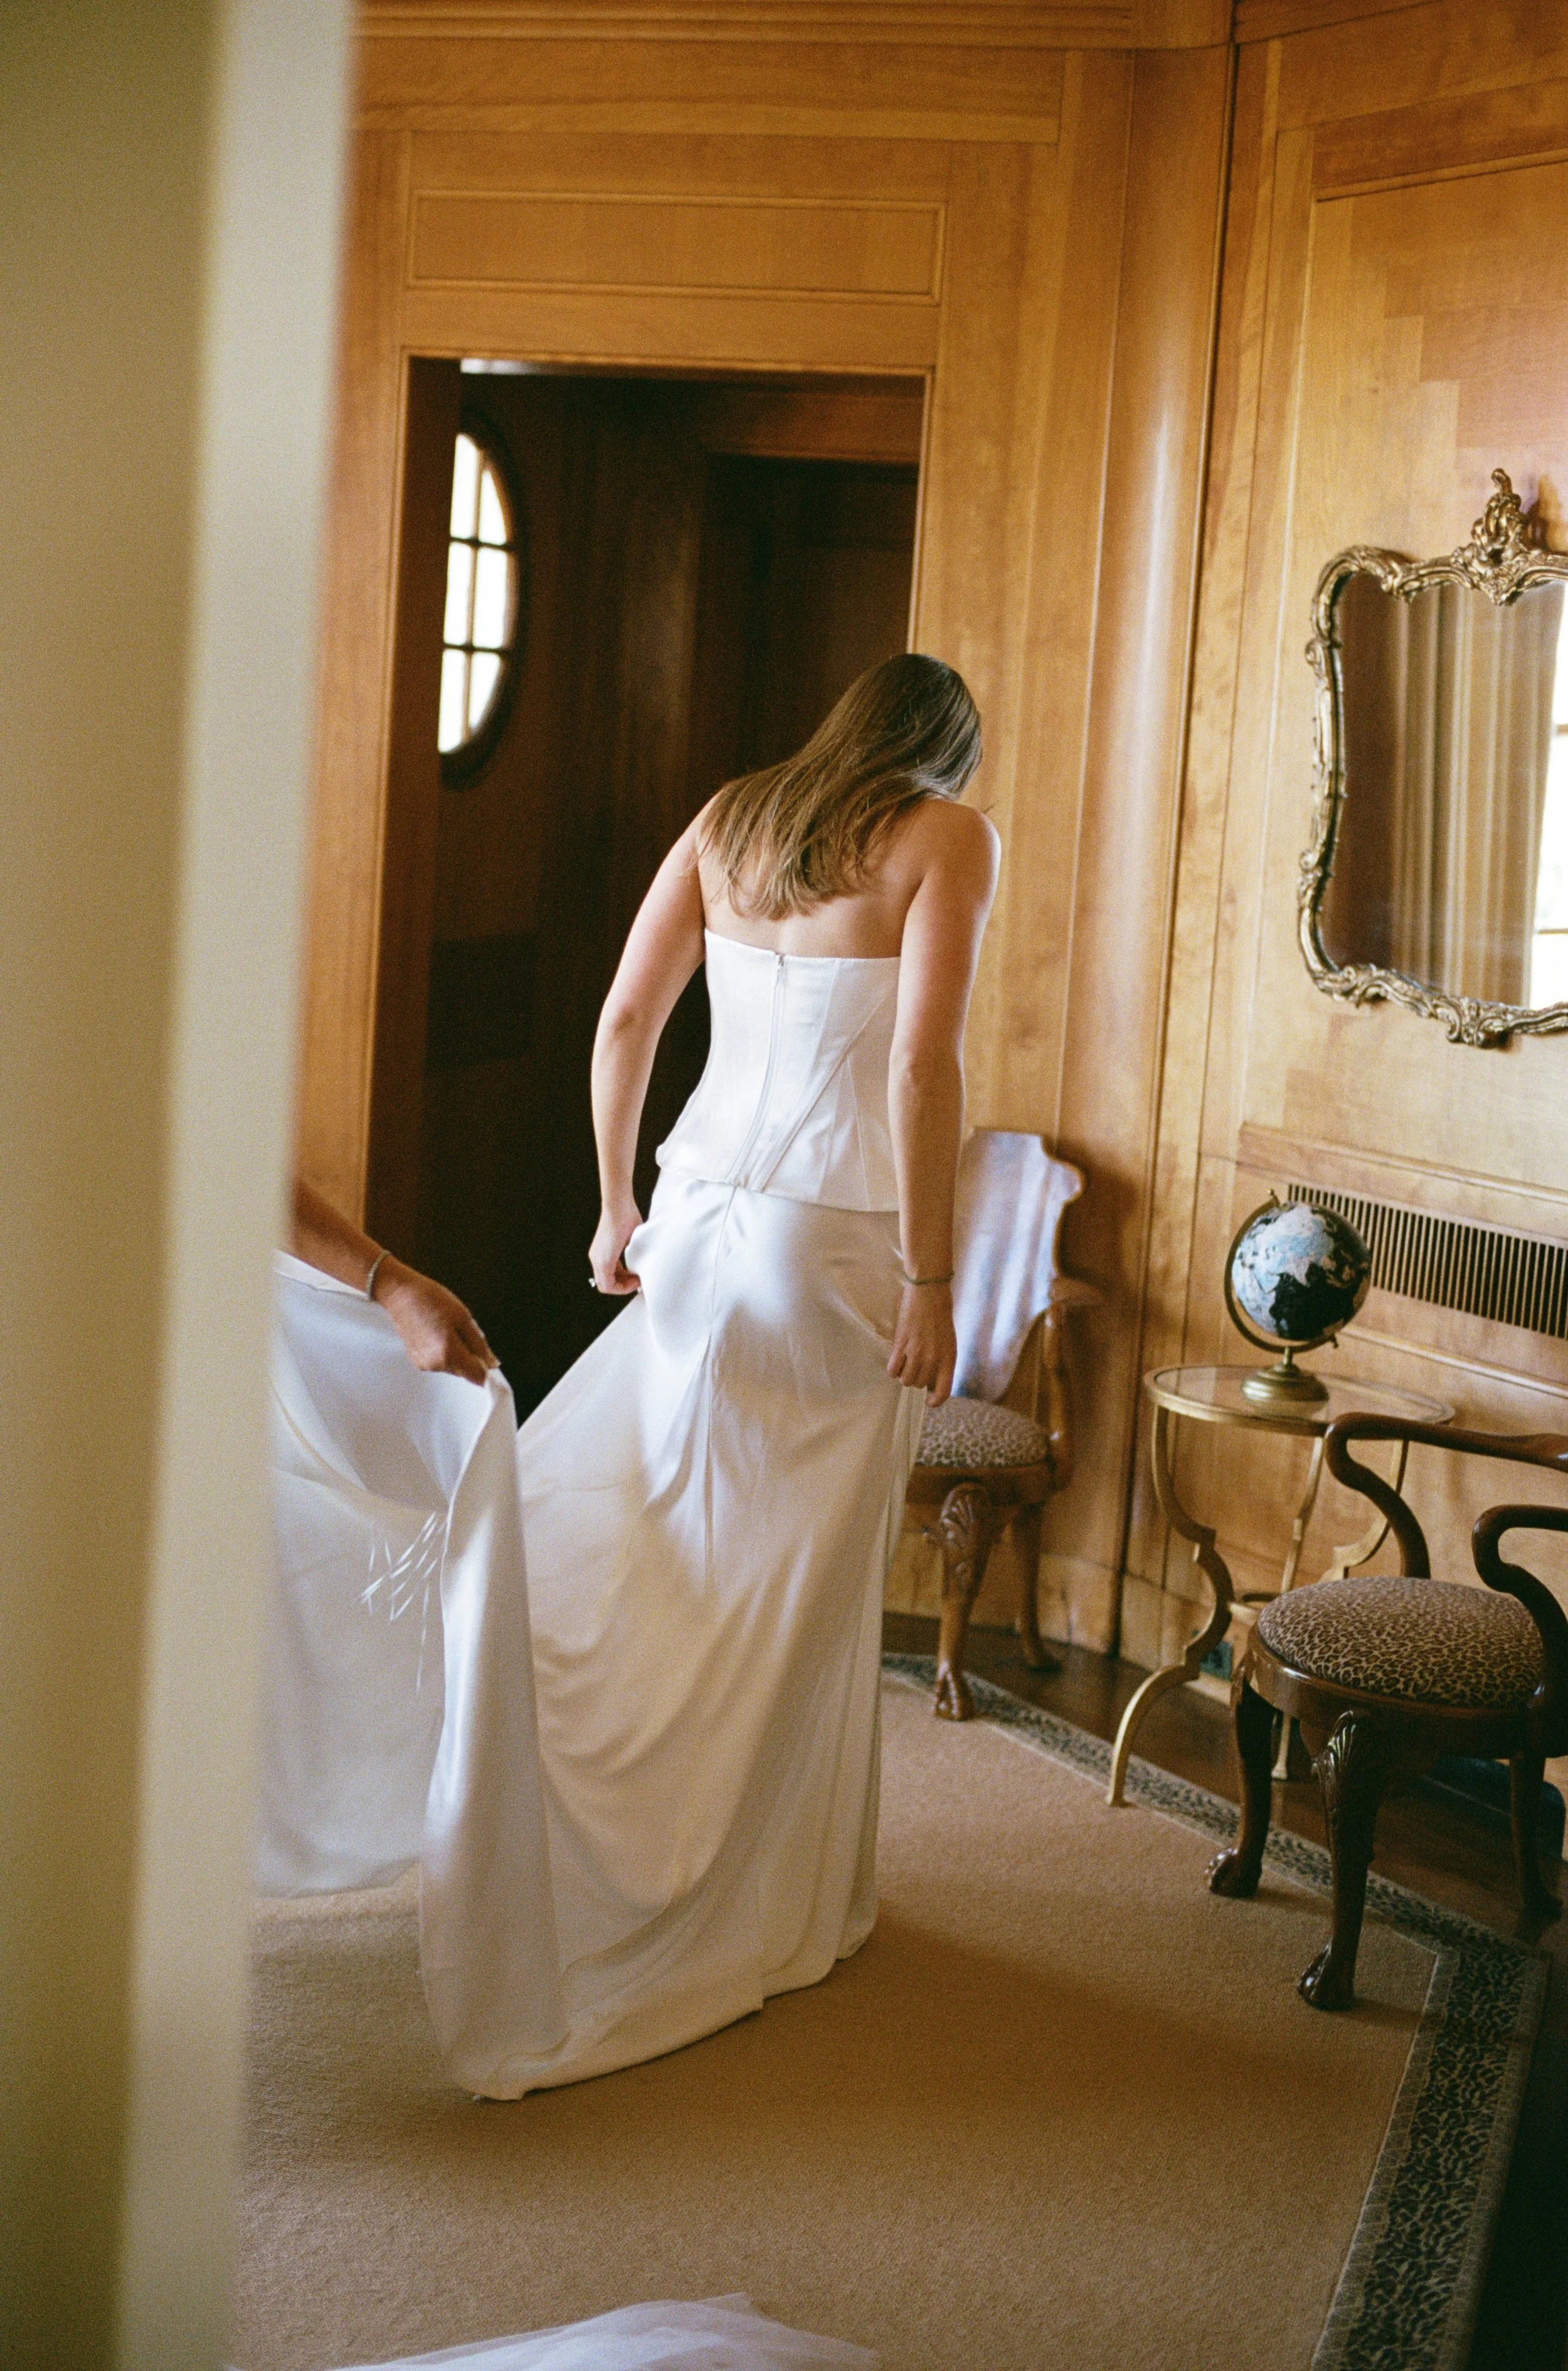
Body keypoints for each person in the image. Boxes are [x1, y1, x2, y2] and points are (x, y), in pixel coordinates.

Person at [506, 651, 997, 2091]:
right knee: (798, 1576)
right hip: (832, 1241)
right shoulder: (944, 833)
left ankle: (628, 1843)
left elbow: (622, 1022)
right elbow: (921, 1068)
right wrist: (929, 1276)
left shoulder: (730, 818)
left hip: (698, 1214)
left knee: (678, 1532)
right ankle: (752, 1898)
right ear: (945, 753)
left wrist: (613, 1208)